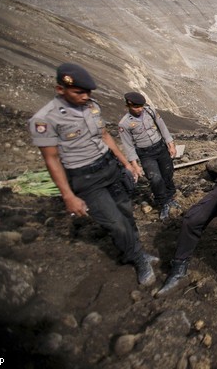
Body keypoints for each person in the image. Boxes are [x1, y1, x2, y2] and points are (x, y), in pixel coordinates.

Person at [28, 63, 157, 286]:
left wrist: (126, 164)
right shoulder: (45, 119)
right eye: (79, 92)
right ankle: (137, 259)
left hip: (109, 167)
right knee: (115, 222)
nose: (85, 96)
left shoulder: (92, 106)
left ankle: (136, 251)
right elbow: (52, 159)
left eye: (88, 92)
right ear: (61, 90)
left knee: (126, 212)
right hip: (85, 178)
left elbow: (105, 136)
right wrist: (68, 196)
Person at [118, 91, 178, 220]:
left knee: (167, 173)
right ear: (128, 106)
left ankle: (171, 197)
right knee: (155, 178)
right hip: (146, 154)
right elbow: (128, 145)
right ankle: (162, 203)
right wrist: (134, 164)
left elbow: (162, 126)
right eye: (135, 107)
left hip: (160, 147)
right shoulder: (125, 123)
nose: (139, 109)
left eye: (141, 106)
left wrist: (170, 143)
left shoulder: (150, 111)